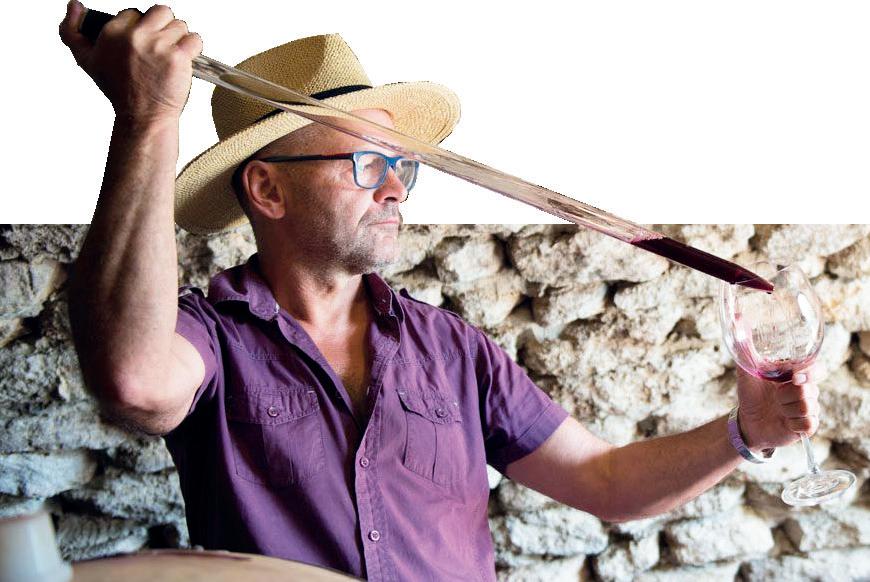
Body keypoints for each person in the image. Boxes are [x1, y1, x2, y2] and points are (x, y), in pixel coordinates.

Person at [59, 3, 823, 580]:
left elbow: (605, 480)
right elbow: (134, 380)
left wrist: (745, 432)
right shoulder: (211, 340)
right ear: (268, 189)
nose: (396, 188)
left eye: (402, 165)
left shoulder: (454, 349)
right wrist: (149, 120)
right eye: (367, 164)